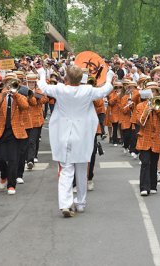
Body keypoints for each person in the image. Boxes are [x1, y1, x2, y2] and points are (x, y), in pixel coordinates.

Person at [36, 65, 115, 217]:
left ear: (66, 78)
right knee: (81, 169)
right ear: (81, 79)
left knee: (66, 169)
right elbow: (106, 89)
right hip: (82, 135)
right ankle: (80, 203)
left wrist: (41, 73)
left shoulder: (60, 89)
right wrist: (109, 76)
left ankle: (65, 203)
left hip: (63, 133)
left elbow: (43, 87)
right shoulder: (88, 91)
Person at [0, 73, 29, 195]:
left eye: (12, 83)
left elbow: (25, 106)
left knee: (13, 159)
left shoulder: (20, 96)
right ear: (4, 84)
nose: (9, 85)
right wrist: (2, 96)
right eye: (7, 82)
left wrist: (16, 94)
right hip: (1, 131)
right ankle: (4, 174)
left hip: (15, 132)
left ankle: (11, 185)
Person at [135, 82, 160, 196]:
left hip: (157, 138)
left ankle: (153, 185)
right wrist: (147, 109)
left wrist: (156, 107)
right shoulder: (140, 106)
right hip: (144, 137)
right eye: (150, 91)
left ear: (158, 93)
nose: (152, 94)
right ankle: (144, 187)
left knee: (154, 162)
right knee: (145, 162)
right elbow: (140, 121)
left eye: (154, 91)